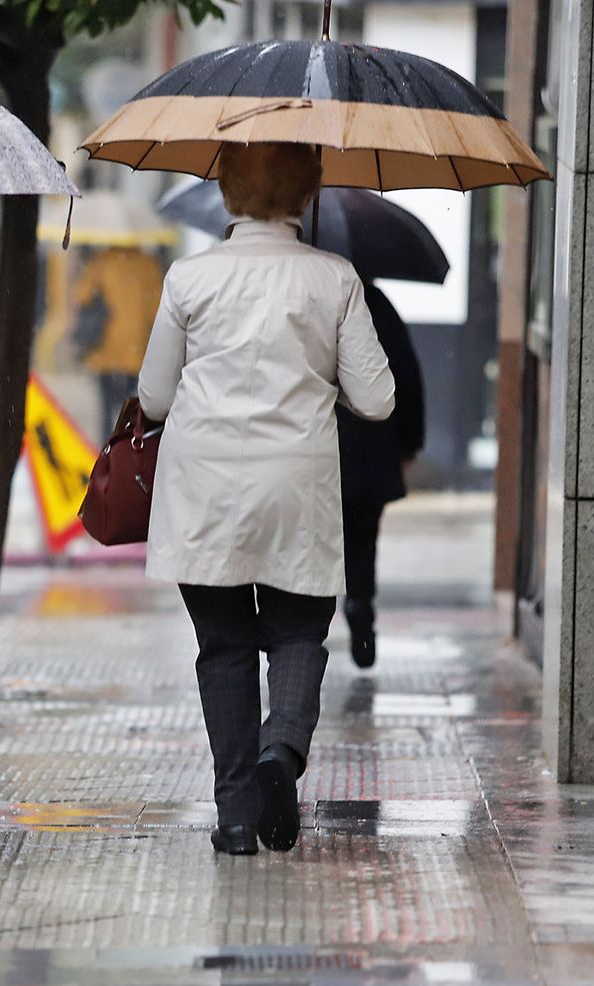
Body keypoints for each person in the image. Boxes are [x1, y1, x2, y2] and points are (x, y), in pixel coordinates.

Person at [138, 143, 395, 858]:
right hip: (297, 484)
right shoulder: (333, 278)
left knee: (222, 646)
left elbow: (154, 396)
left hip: (204, 488)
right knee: (297, 633)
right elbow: (376, 399)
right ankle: (279, 753)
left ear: (225, 193)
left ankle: (236, 817)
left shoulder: (189, 278)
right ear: (307, 195)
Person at [337, 283, 426, 668]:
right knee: (362, 537)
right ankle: (360, 605)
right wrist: (409, 443)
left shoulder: (305, 294)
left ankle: (305, 632)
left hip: (318, 445)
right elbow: (406, 375)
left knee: (313, 540)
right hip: (371, 446)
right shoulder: (375, 304)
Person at [70, 245, 164, 438]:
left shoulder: (100, 261)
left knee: (105, 403)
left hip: (106, 345)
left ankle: (106, 446)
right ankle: (126, 443)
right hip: (135, 346)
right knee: (129, 402)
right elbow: (156, 309)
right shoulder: (148, 265)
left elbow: (81, 296)